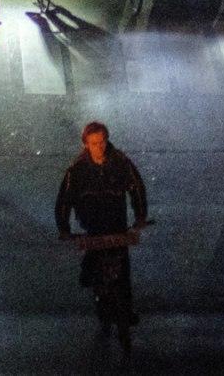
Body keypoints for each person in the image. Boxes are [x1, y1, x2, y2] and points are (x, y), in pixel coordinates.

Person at [54, 122, 150, 351]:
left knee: (123, 271)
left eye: (102, 142)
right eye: (94, 144)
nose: (99, 148)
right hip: (93, 227)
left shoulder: (120, 162)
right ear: (86, 144)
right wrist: (64, 229)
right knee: (95, 266)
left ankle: (126, 311)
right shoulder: (76, 170)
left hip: (117, 226)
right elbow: (64, 200)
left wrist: (139, 217)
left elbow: (137, 188)